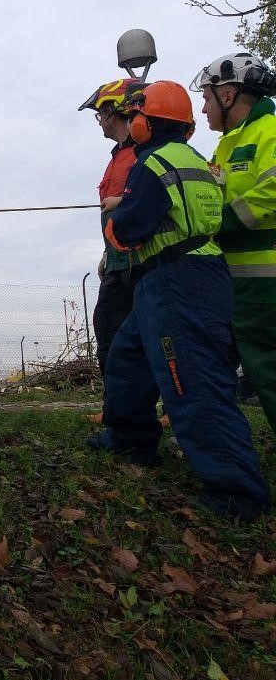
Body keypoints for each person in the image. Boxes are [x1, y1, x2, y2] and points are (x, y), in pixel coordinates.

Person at [88, 80, 270, 521]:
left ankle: (236, 491)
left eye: (136, 116)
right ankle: (130, 436)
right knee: (128, 358)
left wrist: (113, 224)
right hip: (190, 272)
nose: (132, 123)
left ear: (148, 123)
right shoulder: (196, 160)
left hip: (176, 279)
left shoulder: (152, 165)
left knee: (192, 380)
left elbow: (130, 229)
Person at [193, 53, 276, 432]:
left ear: (228, 94)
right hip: (236, 282)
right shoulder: (227, 145)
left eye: (208, 97)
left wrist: (222, 222)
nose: (204, 107)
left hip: (267, 283)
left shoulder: (270, 132)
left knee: (269, 373)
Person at [78, 79, 144, 377]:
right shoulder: (118, 157)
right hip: (118, 261)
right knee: (109, 330)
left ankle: (169, 405)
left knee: (151, 334)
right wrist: (107, 253)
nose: (99, 121)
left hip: (141, 262)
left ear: (114, 112)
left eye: (101, 113)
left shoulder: (142, 154)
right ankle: (119, 407)